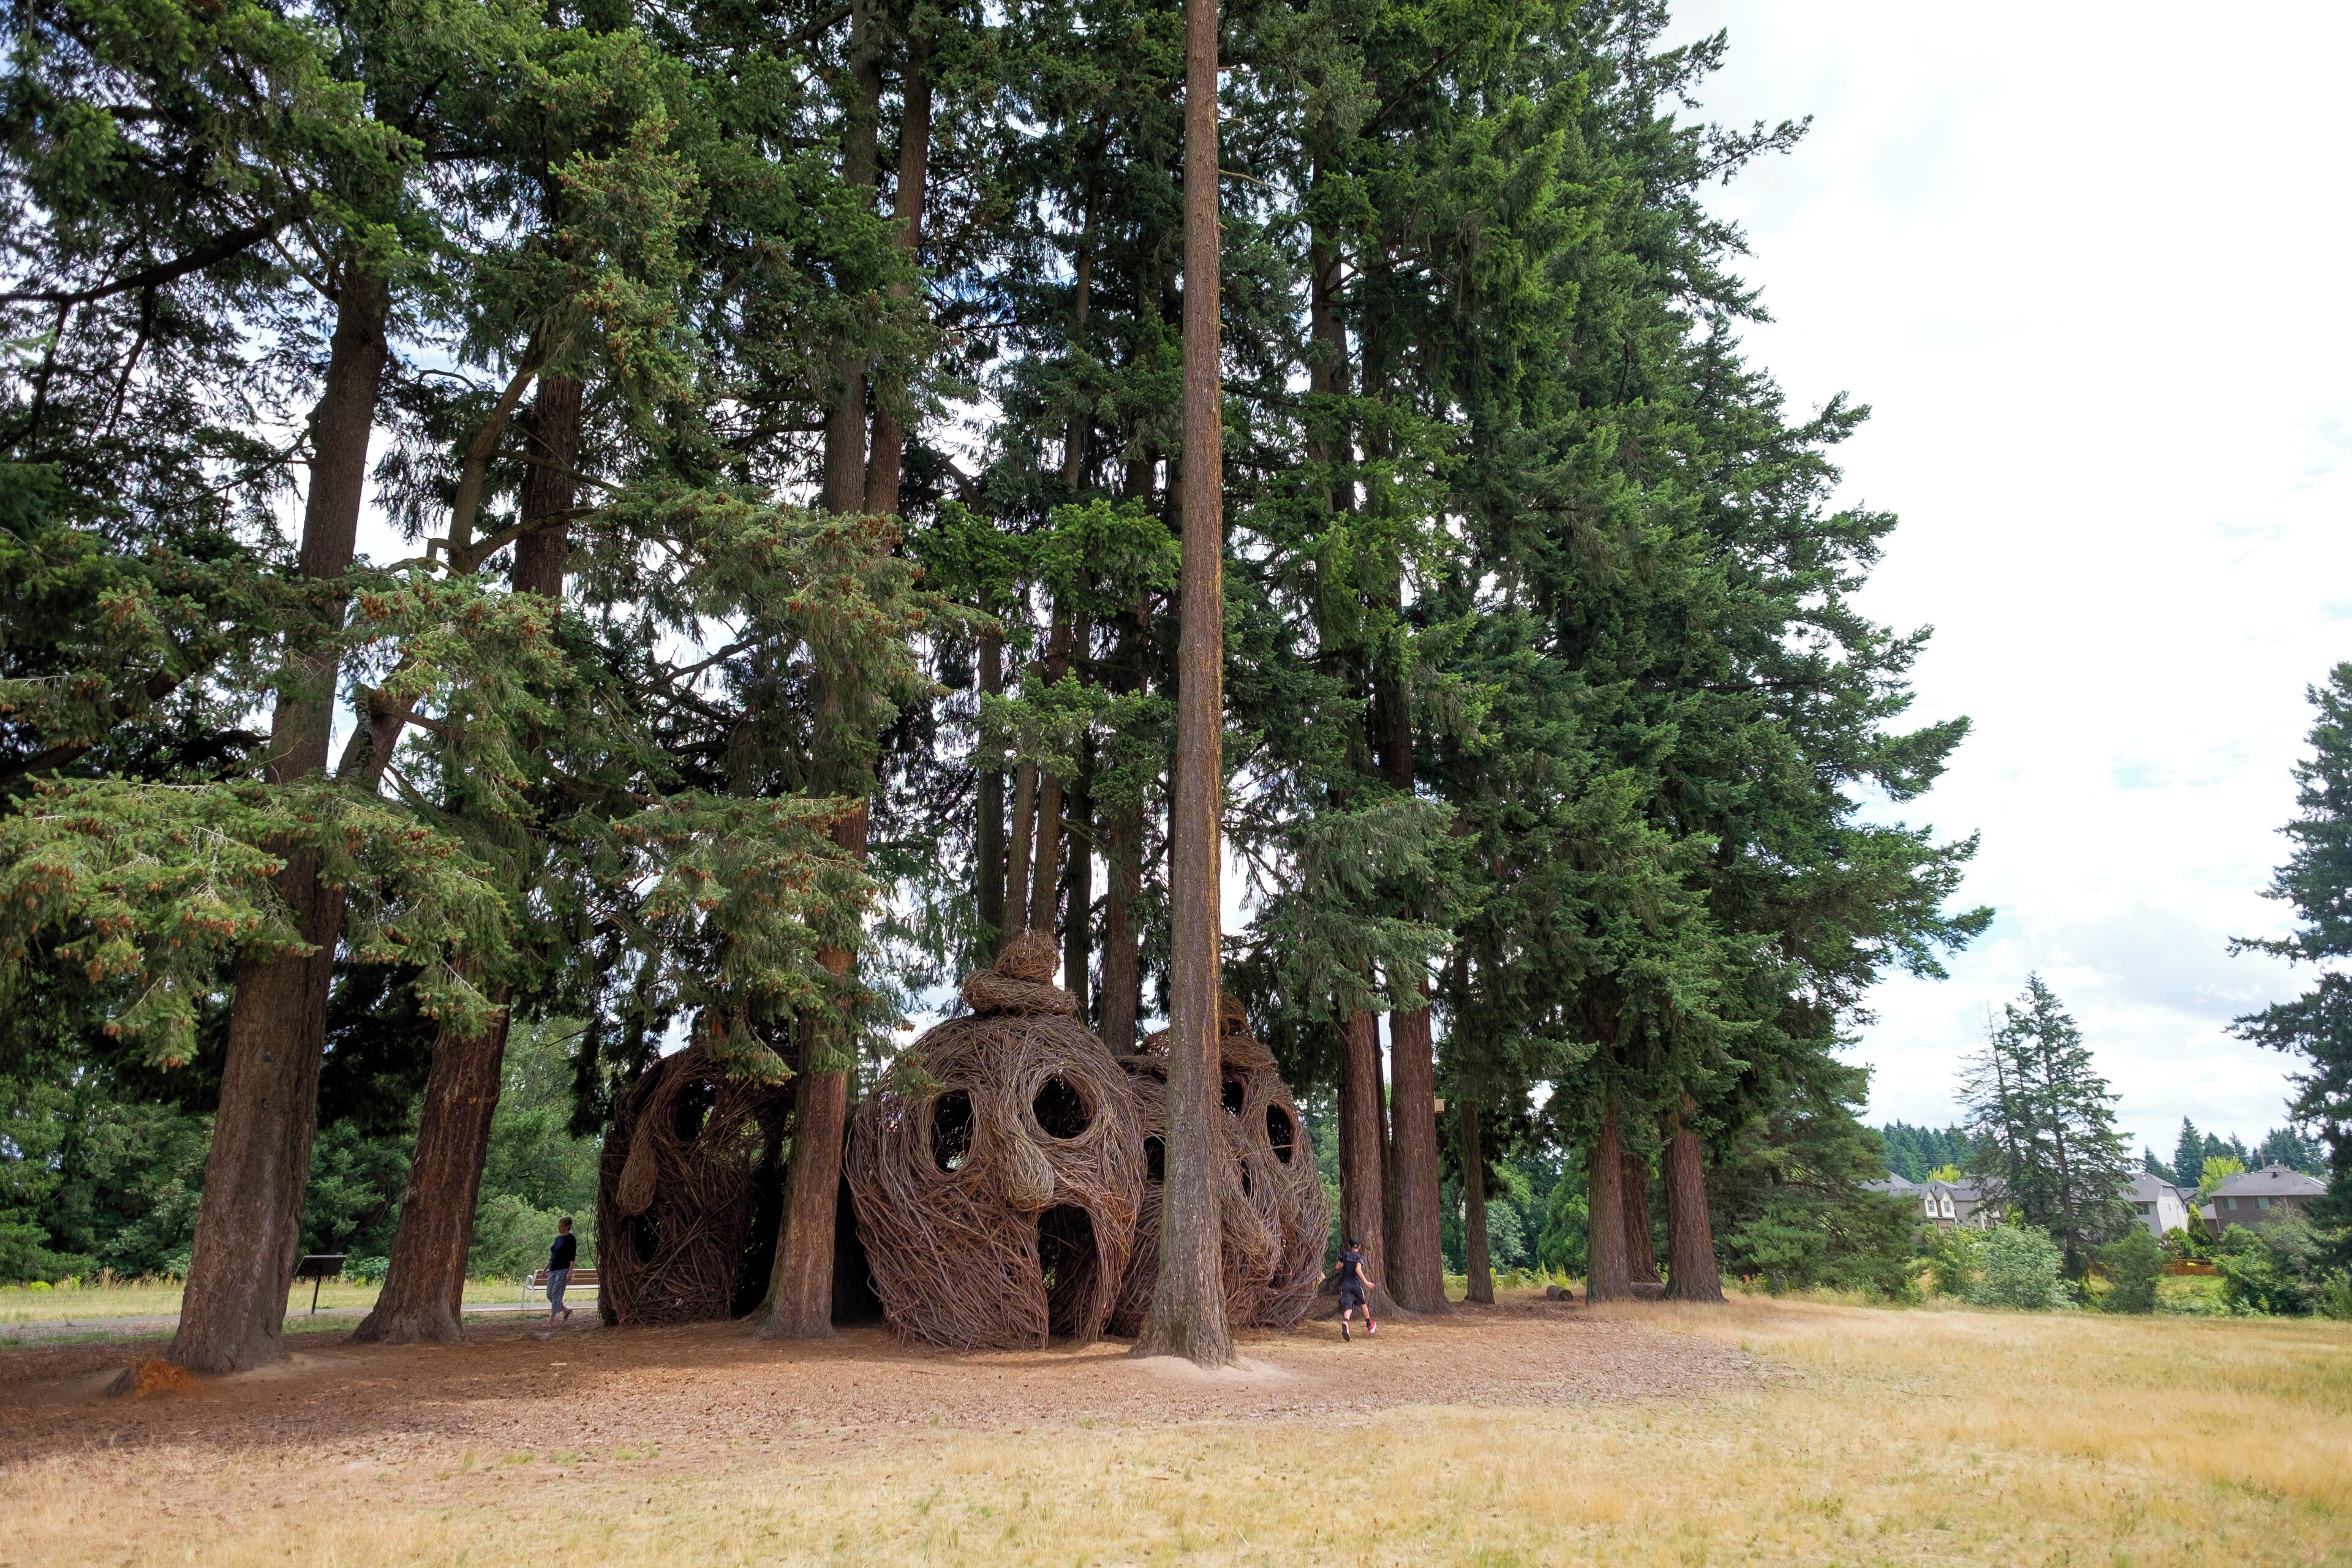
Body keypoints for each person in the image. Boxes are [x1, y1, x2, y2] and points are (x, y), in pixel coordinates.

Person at [1335, 1237, 1378, 1342]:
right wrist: (1367, 1282)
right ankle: (1370, 1325)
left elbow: (1337, 1267)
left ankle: (1346, 1322)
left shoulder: (1345, 1255)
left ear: (1349, 1246)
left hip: (1345, 1284)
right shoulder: (1360, 1257)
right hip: (1356, 1284)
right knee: (1363, 1303)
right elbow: (1358, 1270)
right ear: (1359, 1247)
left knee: (1348, 1305)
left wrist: (1346, 1263)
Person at [546, 1217, 578, 1323]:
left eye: (562, 1226)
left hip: (563, 1270)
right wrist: (545, 1269)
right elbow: (553, 1256)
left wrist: (570, 1272)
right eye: (559, 1225)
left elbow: (572, 1257)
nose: (559, 1228)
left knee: (556, 1293)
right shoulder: (558, 1239)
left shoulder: (571, 1239)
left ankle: (552, 1319)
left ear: (568, 1226)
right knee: (549, 1294)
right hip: (553, 1269)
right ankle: (565, 1310)